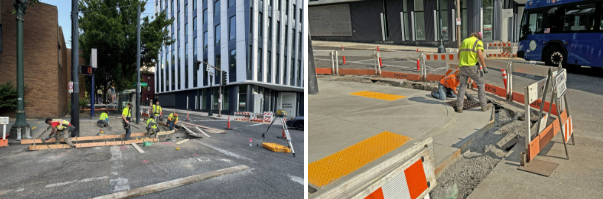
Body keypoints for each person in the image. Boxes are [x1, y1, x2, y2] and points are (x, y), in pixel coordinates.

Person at [456, 32, 493, 113]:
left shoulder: (464, 41)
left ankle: (459, 107)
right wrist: (484, 67)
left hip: (462, 67)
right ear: (479, 37)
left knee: (462, 86)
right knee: (481, 84)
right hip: (472, 67)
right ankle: (484, 105)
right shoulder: (478, 42)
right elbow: (480, 55)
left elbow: (458, 55)